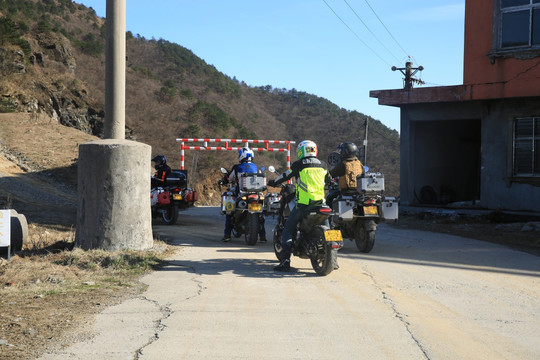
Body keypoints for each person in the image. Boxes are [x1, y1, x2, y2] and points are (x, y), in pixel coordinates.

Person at [267, 140, 330, 272]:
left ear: (302, 151)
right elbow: (330, 180)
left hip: (303, 204)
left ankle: (285, 262)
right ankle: (333, 261)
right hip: (320, 203)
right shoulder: (323, 165)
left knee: (288, 230)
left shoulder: (299, 164)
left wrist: (273, 182)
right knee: (328, 229)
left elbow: (285, 176)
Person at [220, 147, 267, 243]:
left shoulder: (237, 168)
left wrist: (223, 180)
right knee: (260, 214)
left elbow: (229, 178)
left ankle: (227, 235)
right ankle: (262, 236)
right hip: (256, 194)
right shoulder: (257, 168)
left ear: (241, 156)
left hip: (241, 194)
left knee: (230, 212)